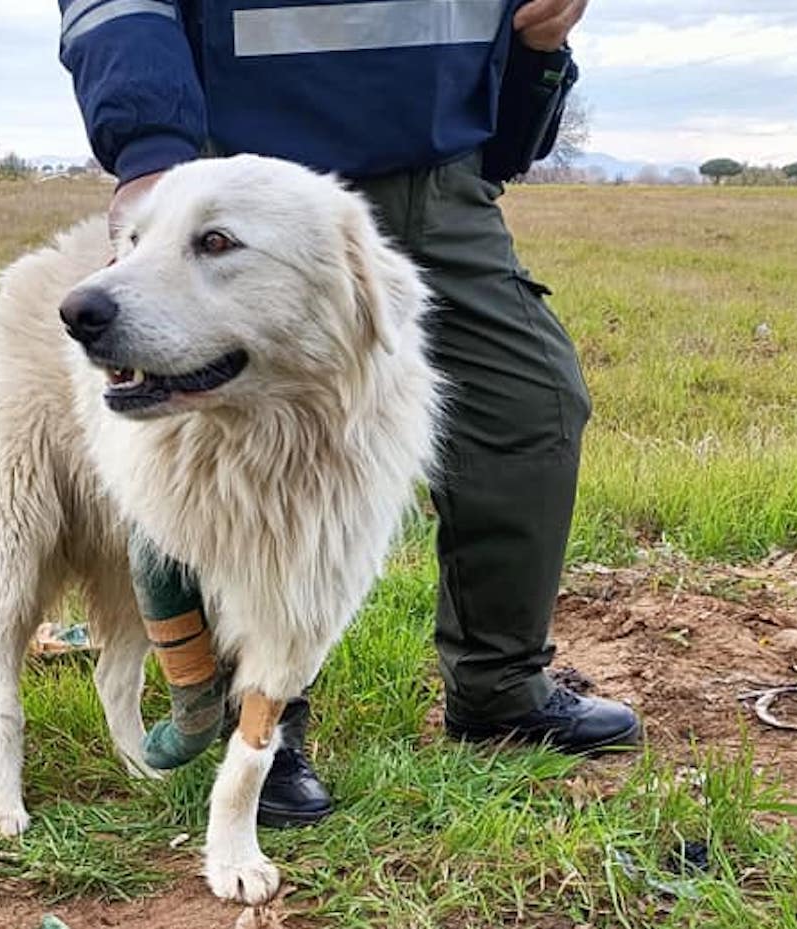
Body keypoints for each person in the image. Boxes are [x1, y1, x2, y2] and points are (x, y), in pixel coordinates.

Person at [57, 0, 640, 828]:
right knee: (212, 444)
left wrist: (539, 48)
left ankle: (500, 686)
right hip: (249, 171)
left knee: (532, 402)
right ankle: (262, 721)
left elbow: (503, 129)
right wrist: (152, 147)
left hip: (437, 187)